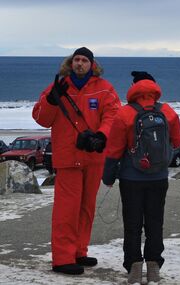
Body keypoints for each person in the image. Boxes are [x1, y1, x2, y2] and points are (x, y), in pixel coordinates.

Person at [32, 47, 121, 275]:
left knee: (86, 208)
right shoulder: (58, 88)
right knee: (66, 210)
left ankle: (79, 251)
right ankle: (62, 258)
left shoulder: (104, 88)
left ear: (92, 64)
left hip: (93, 157)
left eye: (84, 60)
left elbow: (113, 114)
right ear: (70, 64)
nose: (79, 63)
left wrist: (102, 135)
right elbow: (42, 119)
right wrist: (52, 101)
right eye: (76, 60)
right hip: (68, 157)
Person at [103, 71, 180, 284]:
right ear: (154, 88)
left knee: (133, 224)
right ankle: (154, 267)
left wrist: (108, 176)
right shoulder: (168, 111)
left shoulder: (125, 113)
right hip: (158, 178)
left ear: (133, 88)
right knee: (155, 222)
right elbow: (177, 141)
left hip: (131, 179)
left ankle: (134, 267)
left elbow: (114, 149)